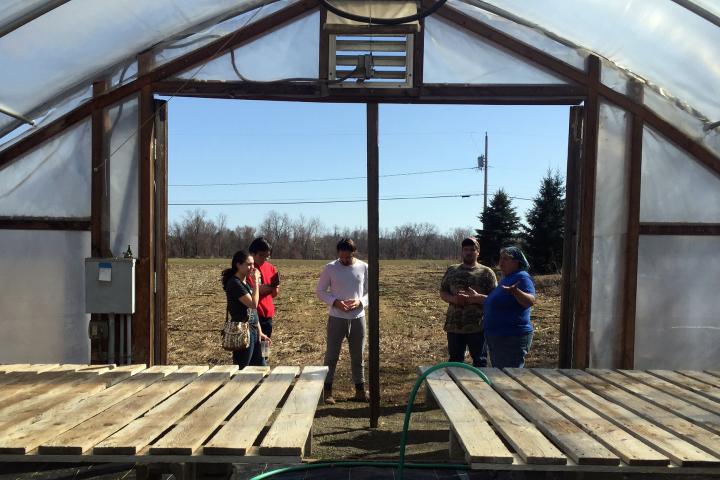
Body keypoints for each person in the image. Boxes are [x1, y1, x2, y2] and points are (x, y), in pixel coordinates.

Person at [315, 238, 369, 405]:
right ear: (338, 254)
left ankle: (360, 390)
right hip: (337, 318)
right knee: (331, 355)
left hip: (358, 318)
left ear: (354, 253)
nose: (345, 260)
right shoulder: (330, 268)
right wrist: (336, 302)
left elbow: (370, 291)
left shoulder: (363, 267)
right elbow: (320, 291)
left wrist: (361, 302)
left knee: (357, 355)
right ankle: (327, 391)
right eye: (342, 257)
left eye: (348, 257)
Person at [439, 237, 497, 367]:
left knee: (480, 362)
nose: (469, 252)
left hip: (478, 327)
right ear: (462, 251)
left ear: (478, 252)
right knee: (455, 362)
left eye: (472, 249)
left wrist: (476, 298)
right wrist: (454, 299)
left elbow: (494, 300)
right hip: (454, 327)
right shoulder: (452, 270)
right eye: (466, 249)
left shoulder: (487, 273)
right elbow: (443, 292)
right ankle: (455, 387)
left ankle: (480, 387)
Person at [482, 246, 536, 368]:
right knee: (501, 375)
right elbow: (498, 301)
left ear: (516, 262)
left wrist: (516, 292)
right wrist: (478, 297)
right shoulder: (506, 279)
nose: (501, 262)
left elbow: (530, 301)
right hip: (498, 337)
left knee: (510, 378)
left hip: (511, 338)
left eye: (506, 259)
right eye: (500, 258)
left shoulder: (522, 276)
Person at [221, 250, 271, 369]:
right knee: (243, 368)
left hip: (253, 330)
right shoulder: (234, 283)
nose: (252, 268)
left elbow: (253, 312)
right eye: (248, 264)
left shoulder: (244, 282)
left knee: (261, 366)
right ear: (238, 265)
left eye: (253, 264)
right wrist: (256, 284)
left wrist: (260, 332)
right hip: (242, 332)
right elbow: (253, 304)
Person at [247, 237, 280, 362]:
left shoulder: (271, 268)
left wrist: (273, 288)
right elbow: (253, 291)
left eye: (267, 256)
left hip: (268, 314)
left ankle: (264, 364)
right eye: (261, 255)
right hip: (255, 315)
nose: (264, 259)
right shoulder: (249, 269)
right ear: (253, 254)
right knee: (254, 350)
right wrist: (266, 288)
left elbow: (274, 293)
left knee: (265, 347)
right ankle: (255, 368)